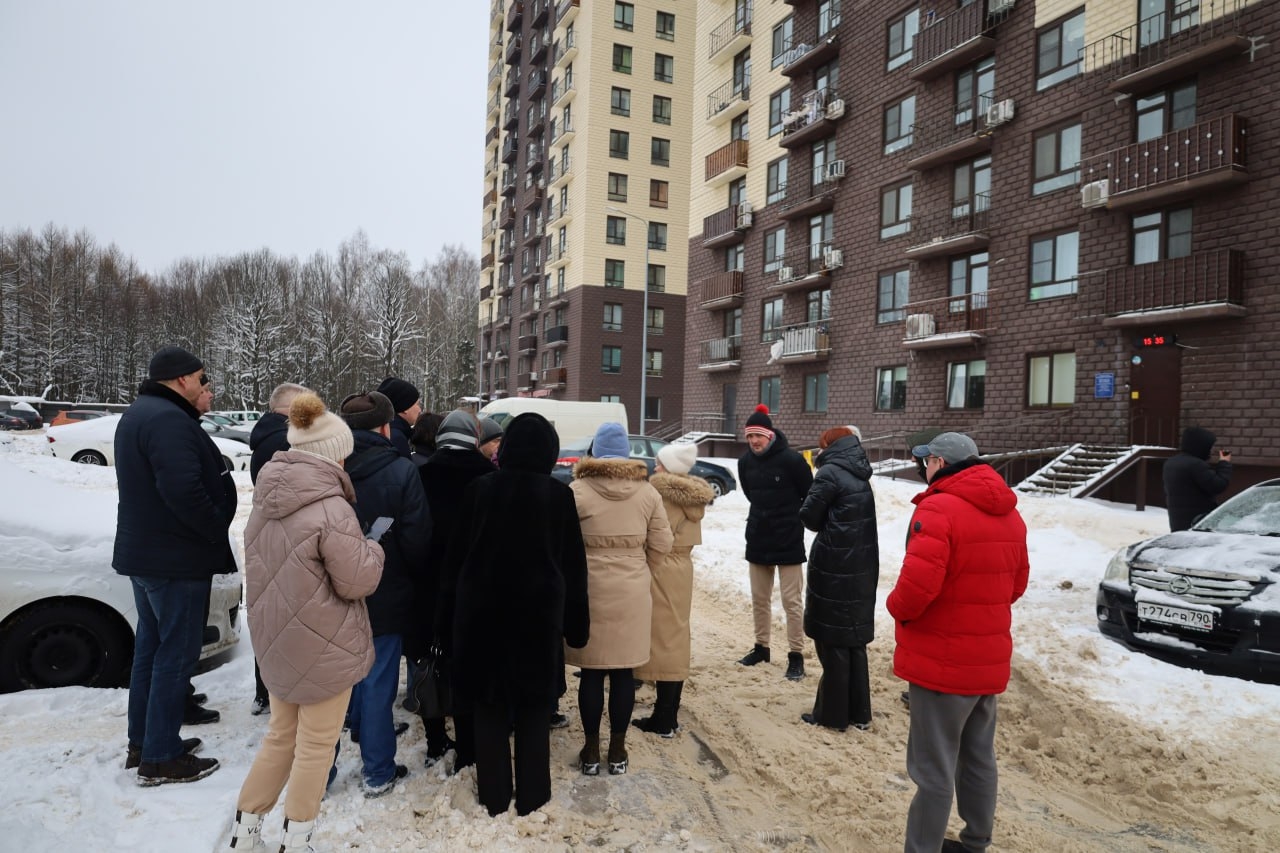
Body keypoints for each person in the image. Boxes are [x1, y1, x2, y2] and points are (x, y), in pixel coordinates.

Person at [226, 393, 385, 853]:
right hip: (324, 643)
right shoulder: (332, 507)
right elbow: (357, 582)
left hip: (277, 640)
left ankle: (245, 831)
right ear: (333, 454)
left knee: (281, 737)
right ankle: (297, 840)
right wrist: (374, 548)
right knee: (316, 745)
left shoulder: (265, 499)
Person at [437, 412, 590, 816]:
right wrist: (577, 626)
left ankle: (494, 796)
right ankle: (533, 797)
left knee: (488, 708)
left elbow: (454, 564)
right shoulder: (559, 496)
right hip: (536, 621)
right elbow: (574, 568)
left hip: (482, 619)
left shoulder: (479, 490)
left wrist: (445, 623)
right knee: (534, 710)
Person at [886, 432, 1030, 853]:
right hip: (986, 660)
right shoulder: (1010, 513)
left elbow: (916, 588)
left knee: (932, 767)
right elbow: (1017, 584)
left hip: (941, 661)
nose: (924, 467)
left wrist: (897, 609)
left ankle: (922, 848)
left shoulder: (939, 508)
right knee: (978, 756)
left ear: (940, 463)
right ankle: (975, 841)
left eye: (927, 460)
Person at [114, 345, 237, 785]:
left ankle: (144, 742)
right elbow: (183, 490)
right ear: (182, 379)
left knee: (151, 651)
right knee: (175, 655)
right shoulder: (167, 420)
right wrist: (214, 528)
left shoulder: (141, 413)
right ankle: (161, 756)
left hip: (149, 555)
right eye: (202, 379)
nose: (207, 386)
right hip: (175, 559)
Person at [335, 390, 431, 798]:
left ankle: (321, 770)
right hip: (386, 587)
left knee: (336, 679)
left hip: (334, 588)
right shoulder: (402, 470)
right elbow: (417, 538)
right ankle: (377, 770)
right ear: (386, 427)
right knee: (378, 679)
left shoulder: (329, 466)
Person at [567, 422, 673, 775]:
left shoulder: (577, 490)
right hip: (632, 590)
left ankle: (590, 749)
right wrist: (641, 569)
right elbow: (662, 542)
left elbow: (565, 541)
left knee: (592, 672)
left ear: (595, 451)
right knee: (624, 672)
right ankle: (617, 748)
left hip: (590, 589)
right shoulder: (647, 493)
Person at [413, 409, 495, 768]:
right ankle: (468, 748)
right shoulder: (487, 476)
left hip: (429, 582)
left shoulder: (420, 473)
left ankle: (434, 740)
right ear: (474, 439)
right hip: (474, 586)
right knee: (467, 664)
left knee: (429, 660)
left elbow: (413, 529)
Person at [798, 426, 879, 733]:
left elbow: (810, 517)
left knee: (832, 642)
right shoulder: (860, 472)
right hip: (860, 564)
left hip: (834, 565)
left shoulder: (830, 473)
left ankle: (831, 715)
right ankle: (859, 713)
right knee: (853, 641)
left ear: (830, 446)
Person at [632, 442, 714, 738]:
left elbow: (656, 536)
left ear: (669, 469)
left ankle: (664, 717)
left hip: (662, 566)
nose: (655, 467)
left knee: (663, 639)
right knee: (676, 635)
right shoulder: (691, 496)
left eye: (659, 463)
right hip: (682, 567)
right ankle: (669, 711)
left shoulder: (664, 494)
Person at [246, 381, 314, 716]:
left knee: (271, 618)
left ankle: (266, 691)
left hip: (268, 537)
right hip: (290, 537)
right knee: (290, 620)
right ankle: (282, 694)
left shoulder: (264, 437)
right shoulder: (285, 441)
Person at [736, 404, 814, 680]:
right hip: (758, 537)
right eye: (749, 436)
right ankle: (761, 648)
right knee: (759, 599)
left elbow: (809, 494)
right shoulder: (744, 463)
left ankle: (796, 655)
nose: (754, 441)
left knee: (791, 601)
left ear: (769, 435)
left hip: (788, 539)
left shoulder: (793, 461)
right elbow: (751, 495)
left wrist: (792, 520)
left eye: (758, 435)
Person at [1163, 427, 1233, 532]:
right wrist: (1224, 462)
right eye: (1209, 447)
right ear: (1201, 446)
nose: (1211, 450)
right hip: (1197, 520)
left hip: (1178, 519)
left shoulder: (1171, 462)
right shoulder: (1196, 465)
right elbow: (1218, 485)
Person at [376, 376, 421, 459]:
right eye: (417, 404)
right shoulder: (396, 439)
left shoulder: (383, 431)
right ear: (405, 407)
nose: (420, 410)